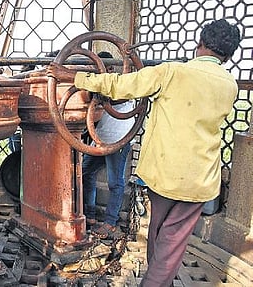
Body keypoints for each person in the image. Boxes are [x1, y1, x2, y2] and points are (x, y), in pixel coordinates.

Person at [46, 19, 241, 287]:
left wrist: (76, 77)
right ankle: (164, 281)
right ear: (228, 55)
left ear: (200, 44)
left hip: (164, 174)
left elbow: (119, 86)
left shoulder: (171, 73)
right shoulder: (230, 84)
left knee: (161, 236)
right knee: (170, 241)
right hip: (201, 179)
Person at [81, 51, 135, 239]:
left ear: (111, 68)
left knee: (115, 182)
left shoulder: (121, 84)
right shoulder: (99, 84)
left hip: (118, 139)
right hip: (101, 138)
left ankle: (111, 222)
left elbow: (116, 97)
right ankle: (91, 215)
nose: (99, 72)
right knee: (86, 172)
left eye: (103, 67)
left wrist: (96, 93)